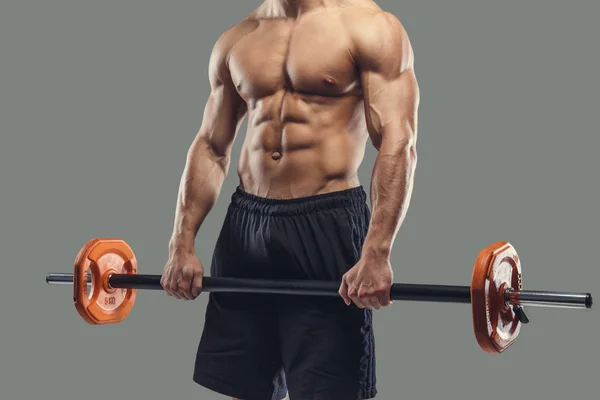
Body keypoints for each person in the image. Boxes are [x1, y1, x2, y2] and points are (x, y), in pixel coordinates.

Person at [160, 0, 419, 399]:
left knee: (327, 389)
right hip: (246, 225)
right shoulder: (238, 37)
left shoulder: (369, 26)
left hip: (325, 221)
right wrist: (182, 242)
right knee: (243, 387)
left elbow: (397, 142)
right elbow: (211, 146)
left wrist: (377, 251)